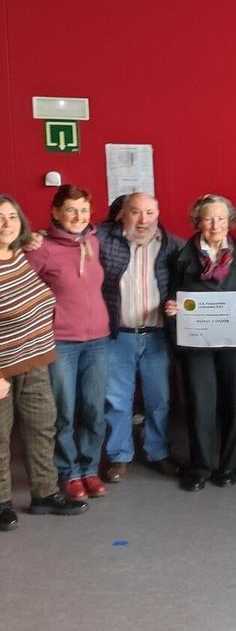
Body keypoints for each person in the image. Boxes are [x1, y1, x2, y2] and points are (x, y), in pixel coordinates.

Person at [164, 195, 236, 491]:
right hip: (197, 343)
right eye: (208, 218)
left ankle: (228, 466)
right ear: (198, 222)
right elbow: (171, 296)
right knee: (200, 404)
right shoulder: (180, 257)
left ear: (230, 221)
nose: (215, 225)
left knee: (235, 403)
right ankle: (200, 467)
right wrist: (171, 309)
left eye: (221, 218)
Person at [0, 195, 87, 529]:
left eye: (12, 216)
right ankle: (1, 502)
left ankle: (45, 493)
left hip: (35, 359)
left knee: (41, 428)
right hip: (3, 369)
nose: (7, 223)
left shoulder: (21, 254)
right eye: (0, 218)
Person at [25, 186, 111, 502]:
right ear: (56, 212)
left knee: (94, 409)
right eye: (72, 210)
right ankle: (69, 473)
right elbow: (21, 287)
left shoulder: (94, 242)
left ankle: (89, 469)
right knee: (64, 412)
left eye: (84, 210)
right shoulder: (41, 247)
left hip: (98, 340)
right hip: (61, 342)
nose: (79, 216)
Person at [96, 192, 186, 483]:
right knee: (118, 400)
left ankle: (158, 452)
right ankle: (120, 456)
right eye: (136, 212)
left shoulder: (174, 246)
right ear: (122, 214)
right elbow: (69, 236)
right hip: (117, 335)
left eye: (149, 213)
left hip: (157, 335)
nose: (143, 219)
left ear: (158, 214)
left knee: (159, 400)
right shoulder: (101, 238)